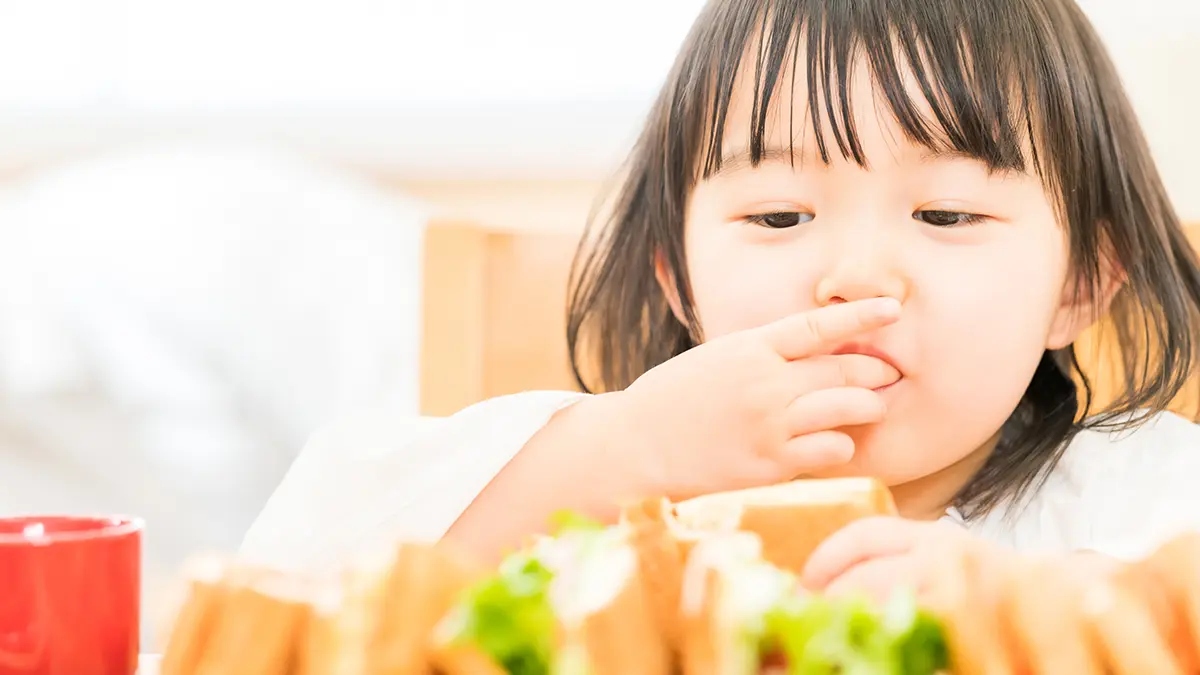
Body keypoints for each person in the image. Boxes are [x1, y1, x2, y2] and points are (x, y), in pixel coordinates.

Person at [241, 0, 1200, 600]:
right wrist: (626, 448)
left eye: (944, 213)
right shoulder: (600, 474)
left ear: (1080, 284)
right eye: (781, 215)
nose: (857, 276)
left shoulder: (1139, 493)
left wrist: (1032, 604)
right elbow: (280, 582)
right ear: (679, 280)